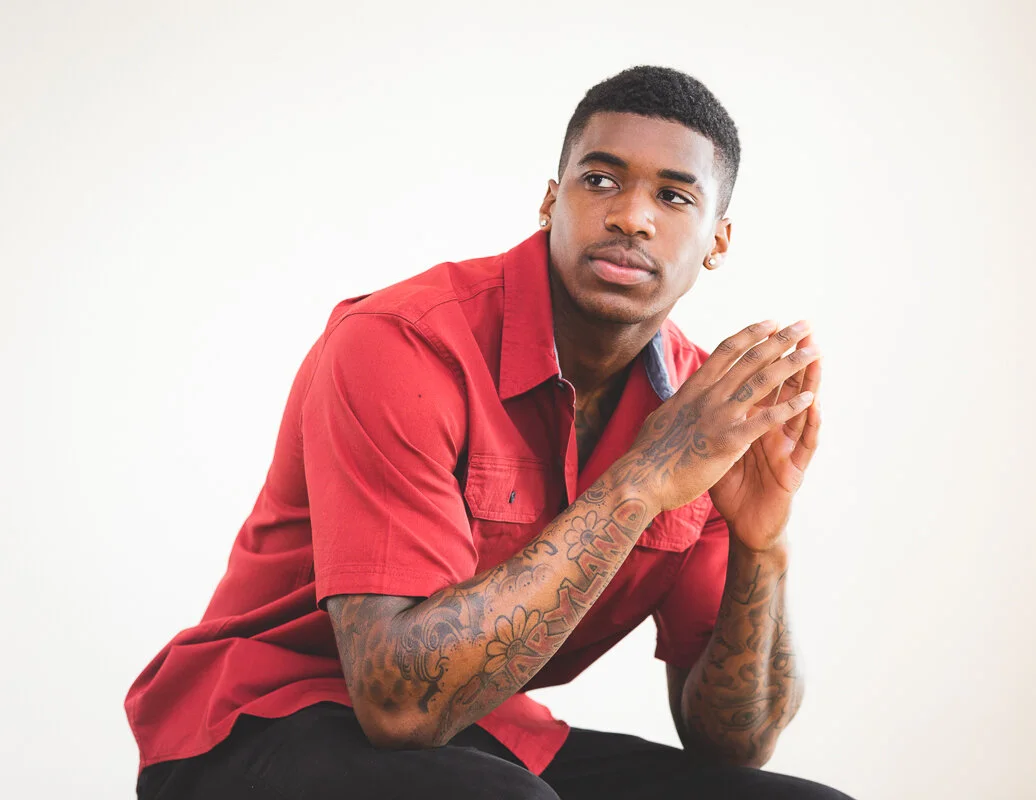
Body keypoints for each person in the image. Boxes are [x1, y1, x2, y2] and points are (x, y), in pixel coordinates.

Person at [127, 65, 851, 800]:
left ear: (717, 241)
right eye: (600, 181)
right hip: (255, 725)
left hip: (481, 735)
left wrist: (763, 544)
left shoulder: (706, 409)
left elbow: (733, 742)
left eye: (673, 196)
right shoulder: (402, 343)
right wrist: (640, 481)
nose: (632, 216)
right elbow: (398, 706)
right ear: (549, 200)